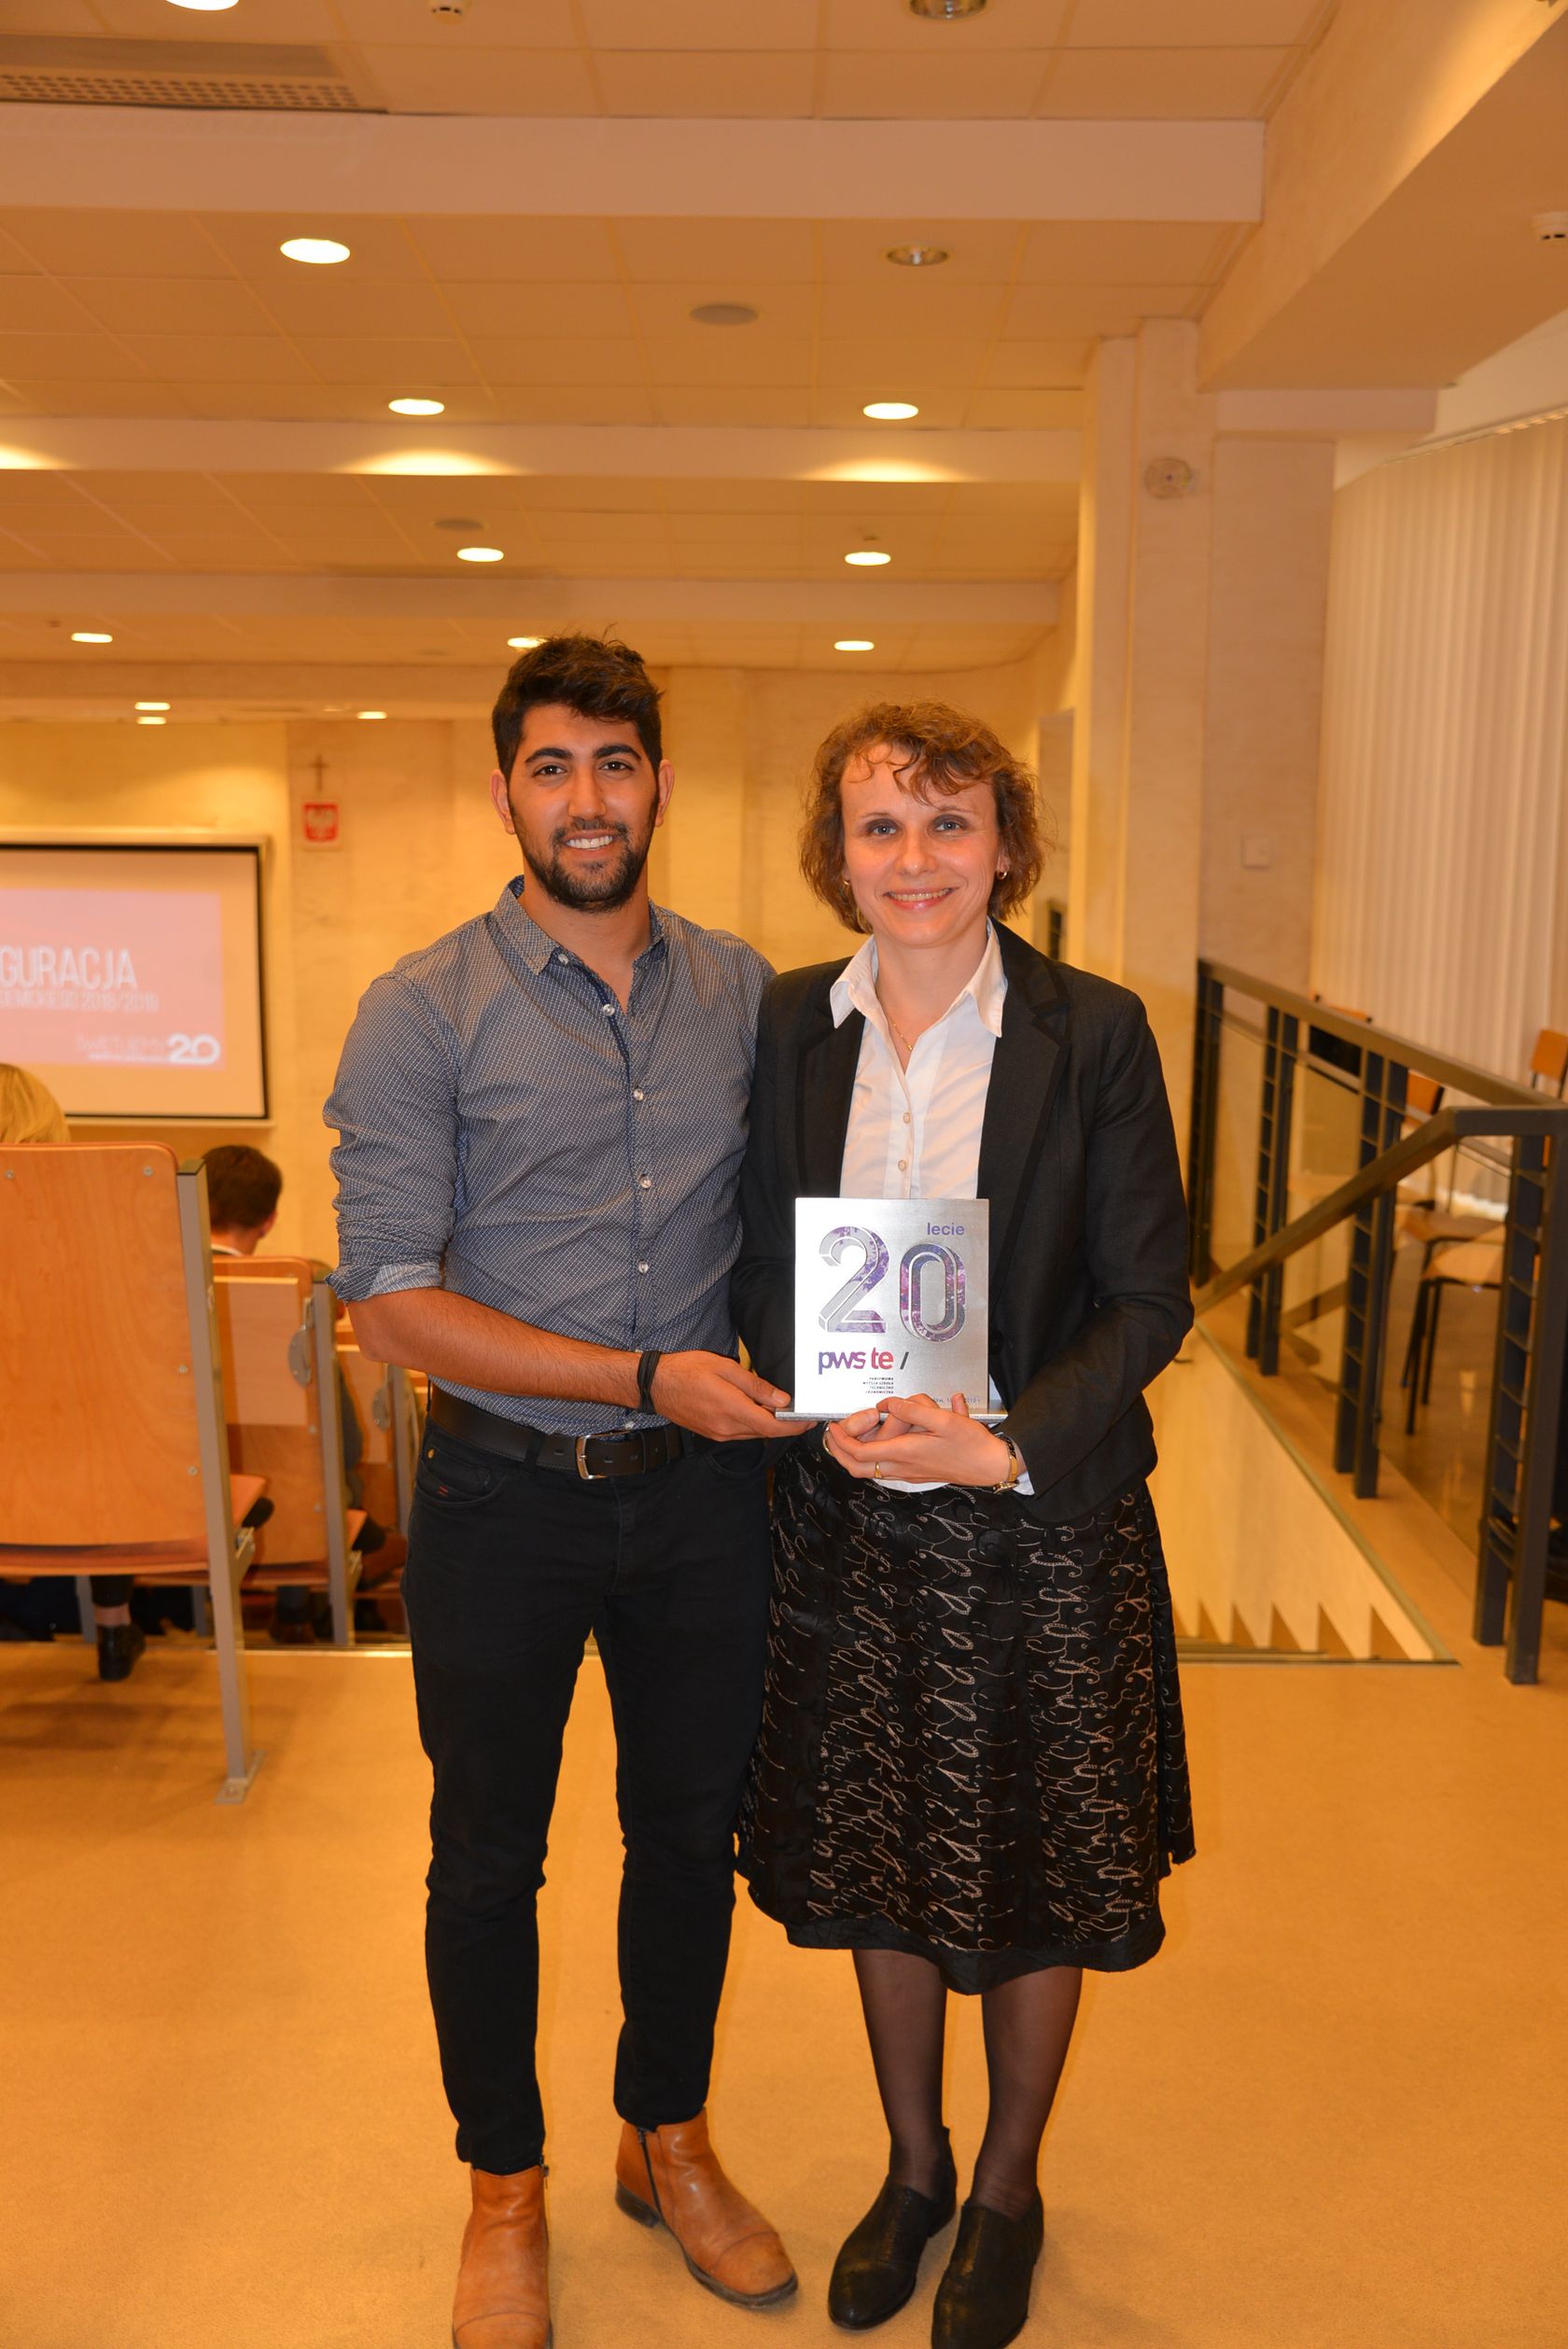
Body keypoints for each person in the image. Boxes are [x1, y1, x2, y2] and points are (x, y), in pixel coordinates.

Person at [326, 634, 796, 2349]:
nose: (585, 799)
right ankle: (504, 2190)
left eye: (613, 762)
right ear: (506, 790)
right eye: (551, 766)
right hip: (500, 1501)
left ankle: (664, 2134)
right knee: (485, 1857)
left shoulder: (747, 992)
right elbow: (392, 1306)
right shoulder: (422, 1008)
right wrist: (639, 1374)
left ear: (660, 782)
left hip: (703, 1506)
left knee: (688, 1836)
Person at [733, 702, 1196, 2349]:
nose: (916, 857)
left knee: (1038, 1866)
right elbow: (761, 1260)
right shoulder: (793, 1022)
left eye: (950, 822)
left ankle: (1005, 2187)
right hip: (853, 1515)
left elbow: (1148, 1297)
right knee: (881, 1857)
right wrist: (813, 1396)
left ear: (1006, 846)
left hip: (1041, 1523)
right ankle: (913, 2167)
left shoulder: (1096, 1030)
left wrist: (1002, 1443)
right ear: (837, 853)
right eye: (882, 826)